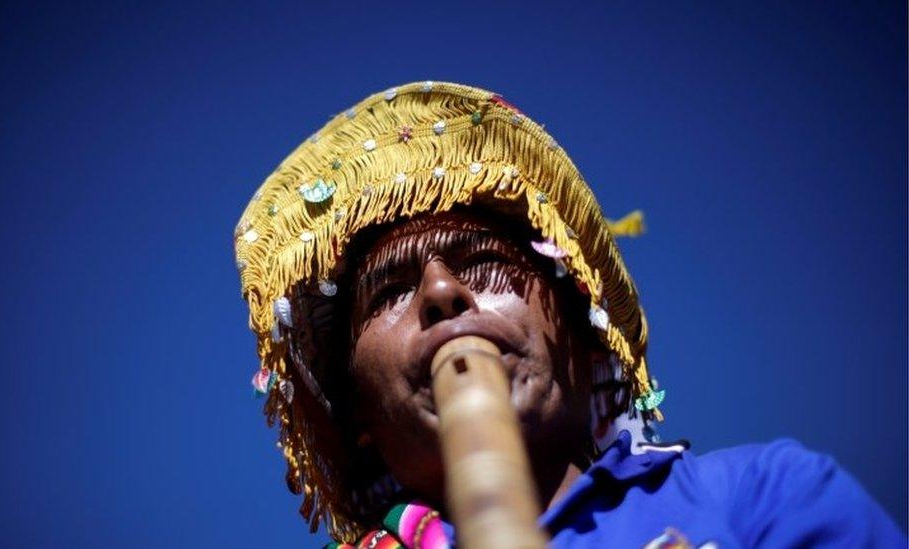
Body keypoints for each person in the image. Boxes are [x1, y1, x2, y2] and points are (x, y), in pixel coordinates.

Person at [232, 82, 904, 547]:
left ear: (582, 340)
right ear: (360, 425)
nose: (442, 294)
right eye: (390, 294)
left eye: (479, 262)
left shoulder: (761, 497)